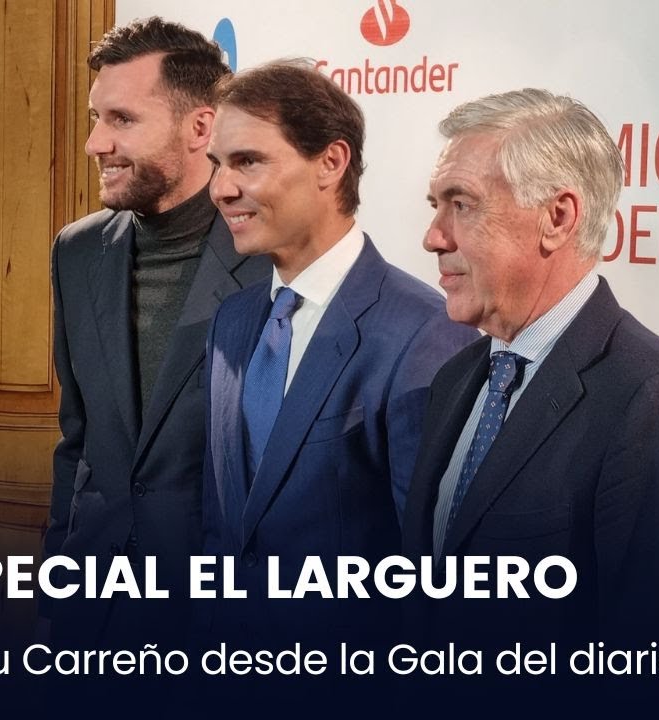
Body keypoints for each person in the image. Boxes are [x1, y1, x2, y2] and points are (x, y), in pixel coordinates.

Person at [402, 89, 659, 657]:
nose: (434, 235)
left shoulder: (651, 396)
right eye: (437, 205)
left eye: (463, 204)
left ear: (556, 218)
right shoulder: (456, 379)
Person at [200, 60, 476, 647]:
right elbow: (222, 525)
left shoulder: (426, 334)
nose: (220, 188)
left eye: (247, 161)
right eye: (216, 164)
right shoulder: (231, 320)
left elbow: (432, 575)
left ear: (331, 162)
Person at [42, 17, 271, 644]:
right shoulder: (76, 250)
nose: (94, 143)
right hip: (91, 607)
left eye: (121, 119)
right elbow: (78, 440)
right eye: (96, 118)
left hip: (217, 619)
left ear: (201, 128)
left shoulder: (274, 261)